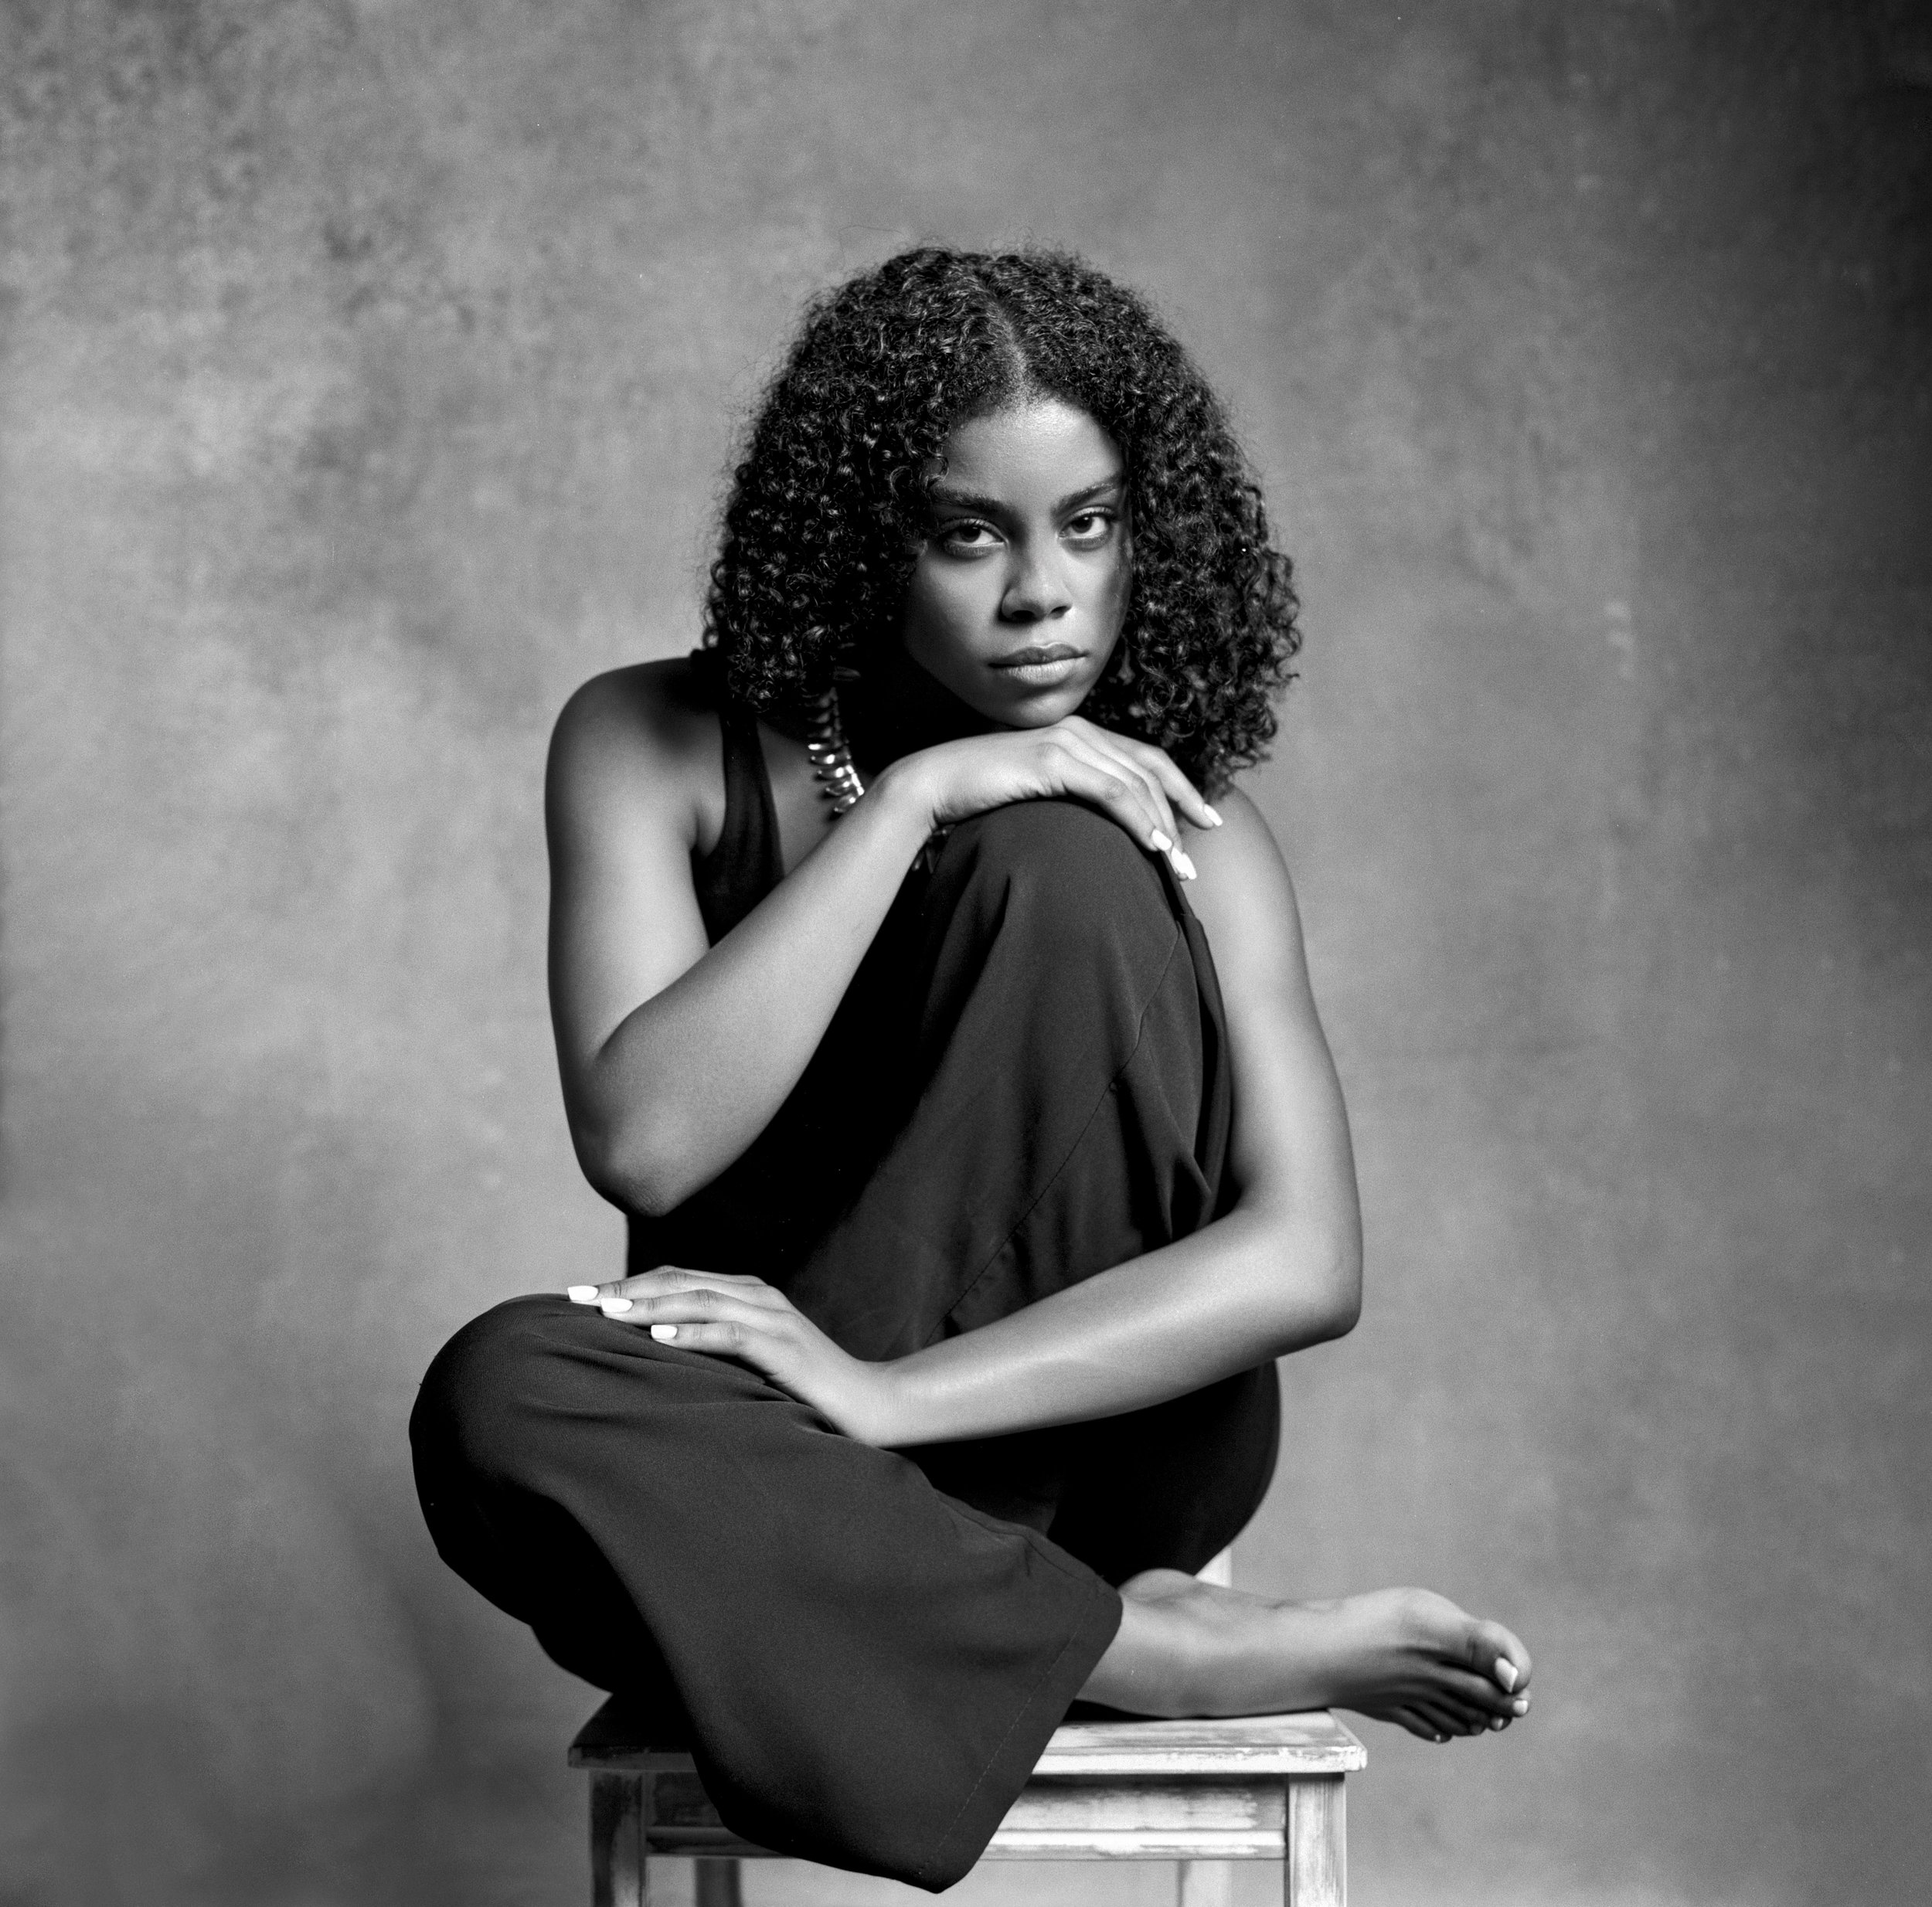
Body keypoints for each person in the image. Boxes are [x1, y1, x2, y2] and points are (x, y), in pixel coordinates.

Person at [410, 248, 1532, 1892]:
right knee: (494, 1395)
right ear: (860, 542)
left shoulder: (1190, 832)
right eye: (967, 533)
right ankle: (1138, 1653)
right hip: (768, 1456)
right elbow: (645, 1146)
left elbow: (1306, 1260)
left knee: (1069, 867)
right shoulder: (647, 740)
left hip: (1082, 1441)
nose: (1041, 594)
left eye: (1087, 524)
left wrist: (885, 1398)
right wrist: (916, 805)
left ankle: (919, 1604)